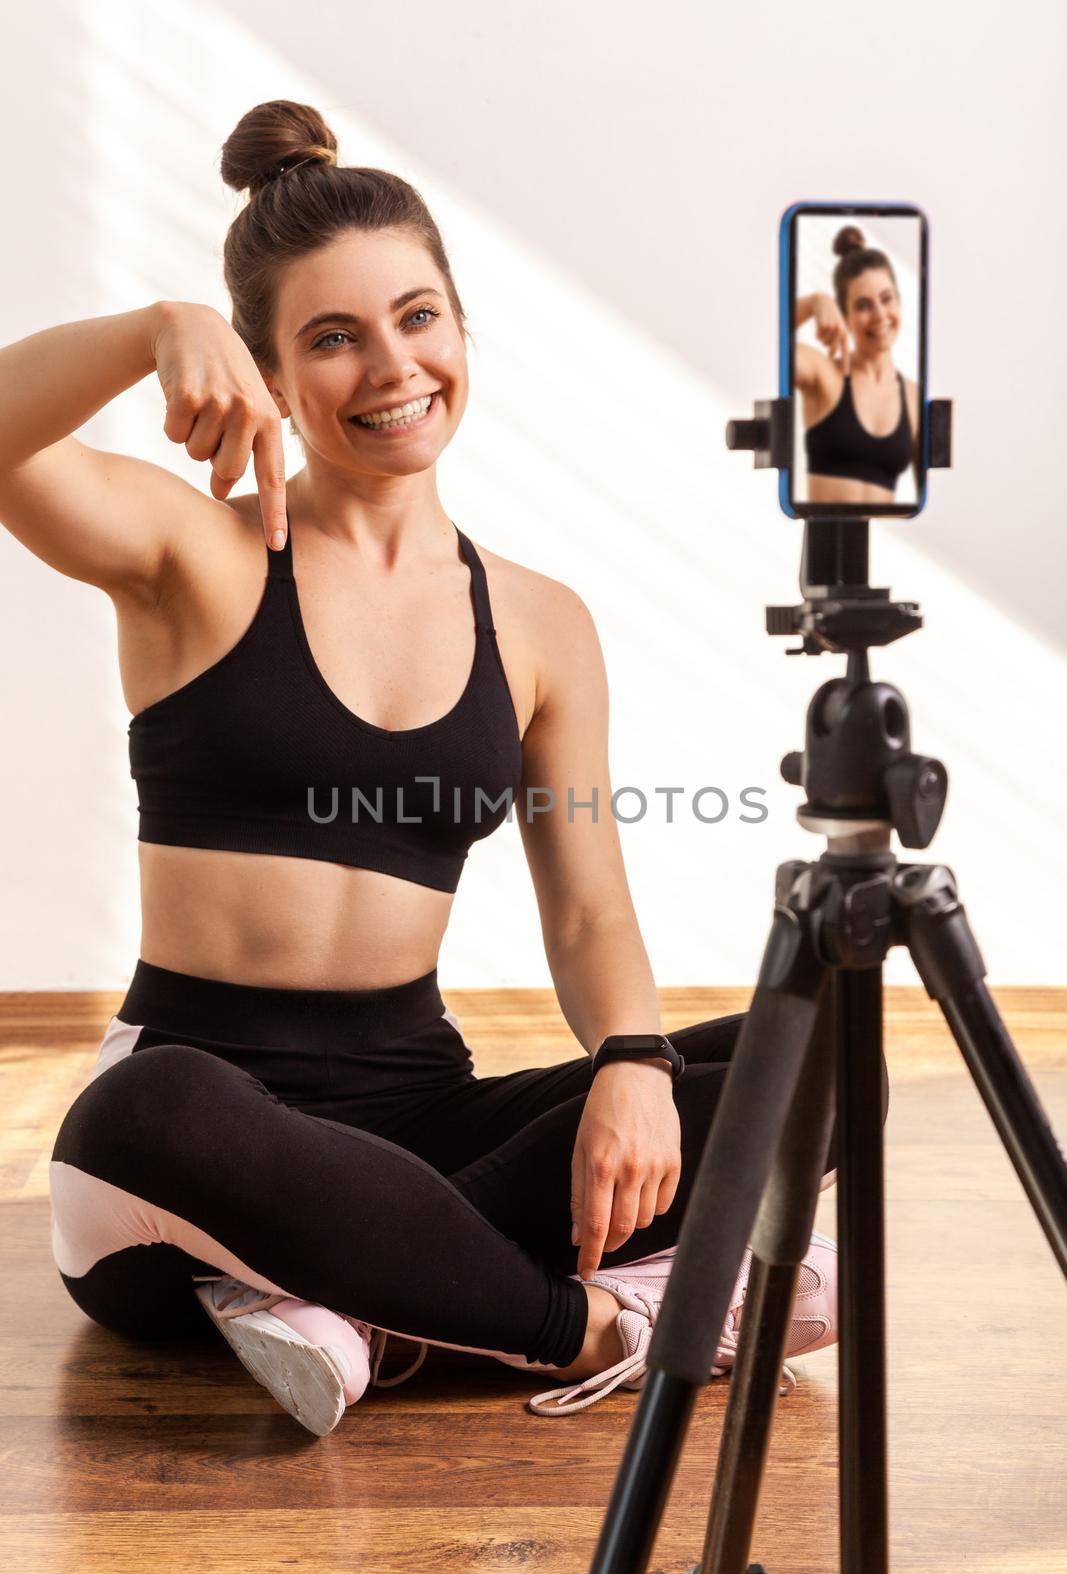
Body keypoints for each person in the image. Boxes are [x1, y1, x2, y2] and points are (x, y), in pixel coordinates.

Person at [2, 101, 883, 1436]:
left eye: (416, 318)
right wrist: (143, 333)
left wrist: (634, 1063)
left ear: (462, 331)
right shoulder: (194, 559)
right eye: (331, 338)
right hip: (185, 1156)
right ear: (267, 373)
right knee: (147, 1108)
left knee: (820, 1051)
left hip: (419, 1121)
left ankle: (358, 1299)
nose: (389, 365)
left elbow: (587, 906)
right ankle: (585, 1321)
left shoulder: (536, 623)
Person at [795, 225, 921, 504]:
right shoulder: (824, 374)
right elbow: (775, 344)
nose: (879, 315)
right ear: (845, 317)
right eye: (863, 306)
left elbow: (932, 499)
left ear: (899, 302)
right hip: (825, 546)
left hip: (884, 545)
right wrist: (815, 302)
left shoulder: (914, 397)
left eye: (887, 299)